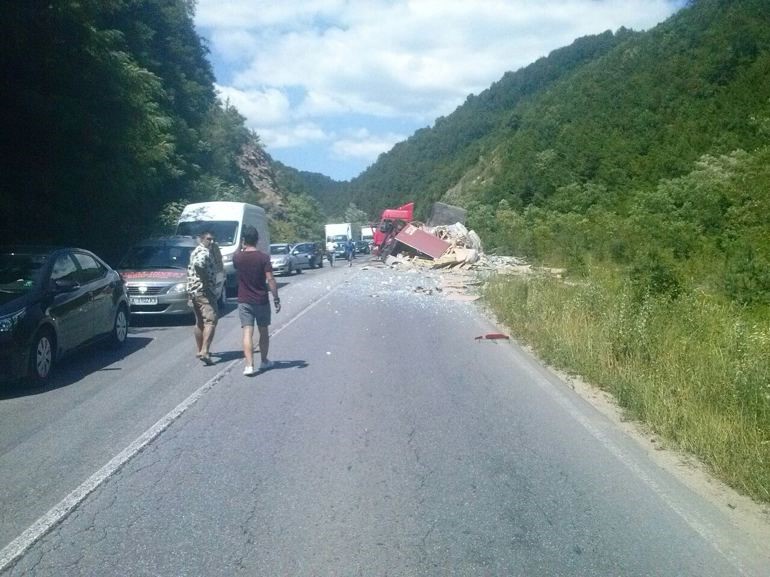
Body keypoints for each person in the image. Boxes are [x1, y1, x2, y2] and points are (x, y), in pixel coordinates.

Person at [233, 225, 281, 376]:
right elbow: (270, 279)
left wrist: (240, 247)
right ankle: (264, 361)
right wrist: (276, 298)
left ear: (243, 240)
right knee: (263, 331)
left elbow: (235, 261)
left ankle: (249, 365)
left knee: (247, 332)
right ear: (257, 240)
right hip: (261, 299)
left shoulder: (238, 257)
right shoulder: (263, 258)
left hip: (244, 300)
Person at [187, 230, 218, 365]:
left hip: (194, 292)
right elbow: (199, 265)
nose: (211, 242)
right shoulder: (204, 252)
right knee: (211, 321)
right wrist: (205, 281)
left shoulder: (195, 251)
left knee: (200, 321)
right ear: (202, 239)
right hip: (204, 291)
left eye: (213, 239)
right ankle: (205, 351)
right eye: (208, 239)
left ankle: (200, 350)